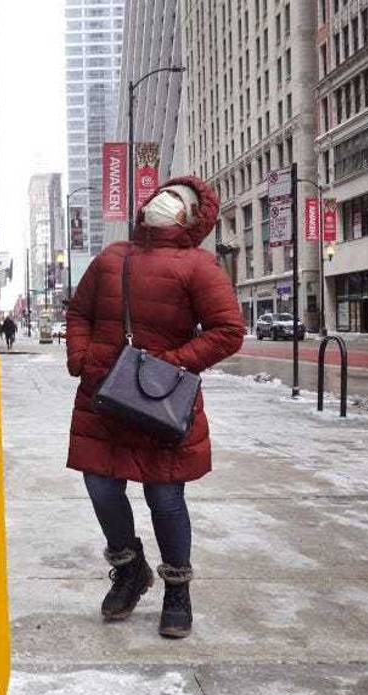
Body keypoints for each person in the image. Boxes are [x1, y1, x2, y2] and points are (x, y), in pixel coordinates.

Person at [64, 175, 244, 638]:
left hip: (162, 403)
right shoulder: (112, 258)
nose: (165, 203)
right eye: (163, 196)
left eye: (178, 201)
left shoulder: (200, 267)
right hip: (103, 398)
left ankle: (177, 589)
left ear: (192, 218)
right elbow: (79, 312)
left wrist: (170, 366)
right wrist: (81, 358)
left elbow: (227, 330)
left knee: (165, 496)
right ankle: (129, 569)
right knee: (102, 487)